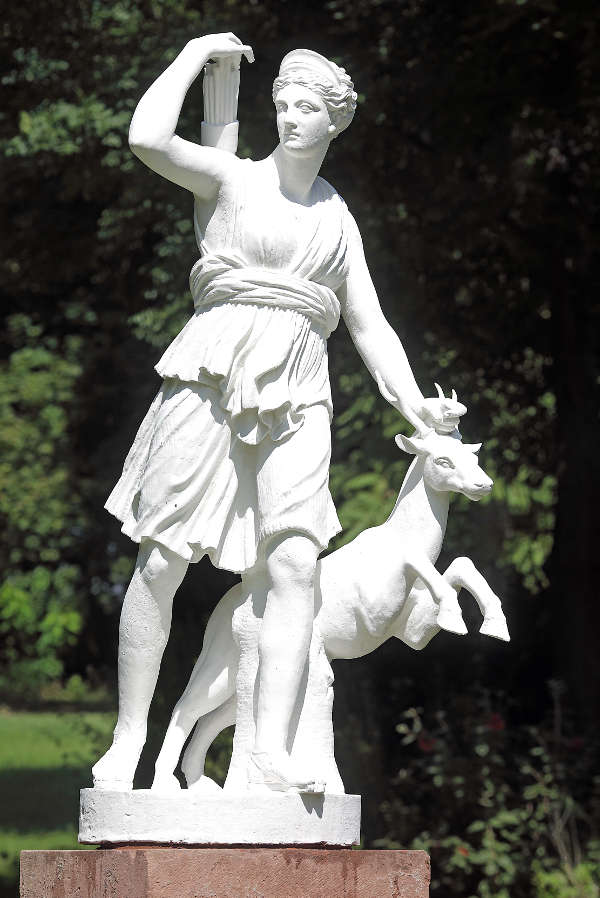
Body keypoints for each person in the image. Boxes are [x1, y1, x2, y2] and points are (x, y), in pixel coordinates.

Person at [92, 33, 458, 792]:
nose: (290, 118)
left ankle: (266, 751)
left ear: (334, 123)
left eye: (306, 108)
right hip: (211, 368)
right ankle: (130, 739)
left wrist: (413, 400)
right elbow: (146, 137)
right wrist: (194, 53)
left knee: (294, 565)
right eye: (281, 104)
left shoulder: (337, 218)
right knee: (161, 559)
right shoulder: (231, 179)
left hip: (299, 385)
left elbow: (369, 324)